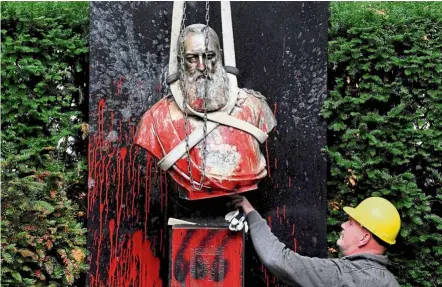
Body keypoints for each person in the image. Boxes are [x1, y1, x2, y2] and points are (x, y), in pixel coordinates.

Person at [134, 24, 276, 200]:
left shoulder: (255, 107)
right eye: (193, 58)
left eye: (209, 57)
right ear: (181, 61)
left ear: (220, 56)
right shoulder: (156, 120)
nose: (202, 66)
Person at [229, 195, 401, 287]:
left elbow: (279, 260)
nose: (343, 225)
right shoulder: (390, 282)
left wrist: (250, 211)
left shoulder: (343, 275)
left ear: (364, 238)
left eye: (350, 223)